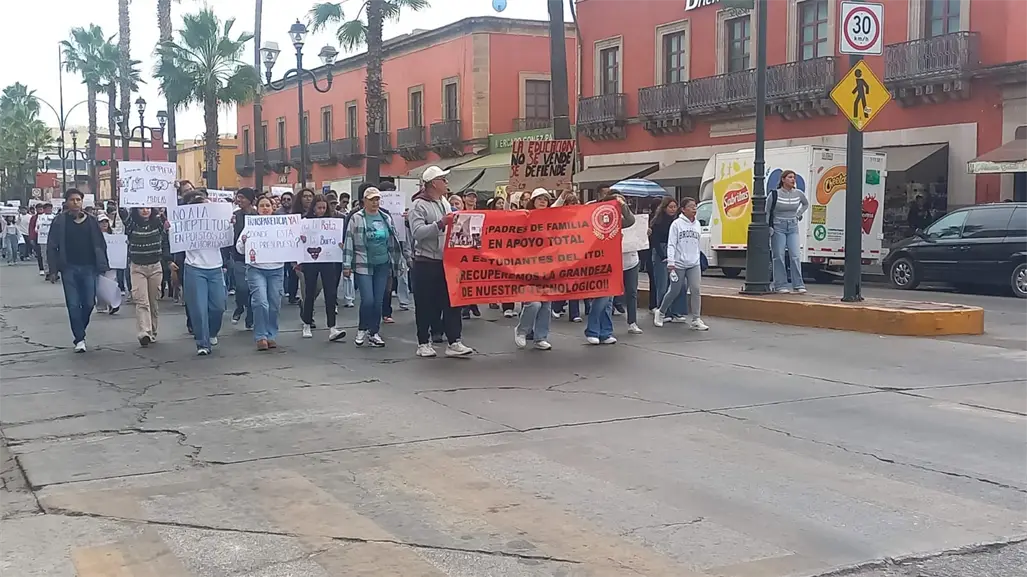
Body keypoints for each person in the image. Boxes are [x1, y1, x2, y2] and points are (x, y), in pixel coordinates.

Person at [408, 166, 474, 358]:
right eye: (443, 180)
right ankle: (423, 342)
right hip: (425, 261)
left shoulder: (444, 202)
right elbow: (417, 233)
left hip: (446, 261)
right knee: (425, 304)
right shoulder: (418, 206)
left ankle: (454, 341)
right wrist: (441, 224)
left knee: (452, 302)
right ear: (433, 183)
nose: (446, 183)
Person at [45, 189, 110, 352]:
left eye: (78, 200)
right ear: (66, 202)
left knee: (88, 303)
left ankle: (80, 328)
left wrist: (103, 265)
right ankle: (79, 338)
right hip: (69, 268)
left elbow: (100, 244)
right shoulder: (59, 221)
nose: (76, 203)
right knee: (73, 304)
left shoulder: (91, 221)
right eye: (72, 200)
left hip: (89, 268)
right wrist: (53, 270)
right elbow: (52, 246)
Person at [343, 186, 405, 347]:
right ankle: (362, 328)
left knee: (378, 300)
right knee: (368, 300)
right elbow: (349, 241)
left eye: (377, 199)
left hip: (382, 264)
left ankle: (374, 332)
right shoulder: (356, 218)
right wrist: (346, 265)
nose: (375, 202)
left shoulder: (385, 217)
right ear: (364, 201)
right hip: (363, 263)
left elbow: (393, 241)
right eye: (372, 199)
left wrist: (399, 261)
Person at [176, 192, 228, 356]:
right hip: (194, 267)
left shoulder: (218, 223)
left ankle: (212, 332)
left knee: (218, 306)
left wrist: (230, 225)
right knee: (198, 308)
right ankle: (202, 342)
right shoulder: (185, 225)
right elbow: (174, 238)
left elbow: (229, 240)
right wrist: (169, 229)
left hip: (215, 268)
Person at [584, 186, 636, 345]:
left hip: (614, 262)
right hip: (597, 262)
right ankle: (592, 330)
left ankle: (605, 332)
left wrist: (623, 206)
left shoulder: (618, 221)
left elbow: (631, 220)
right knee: (602, 297)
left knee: (609, 299)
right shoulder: (594, 217)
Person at [236, 196, 285, 351]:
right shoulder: (251, 226)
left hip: (276, 269)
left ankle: (271, 335)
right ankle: (261, 336)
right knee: (261, 302)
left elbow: (291, 243)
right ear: (257, 208)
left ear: (273, 208)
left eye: (268, 205)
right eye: (262, 205)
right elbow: (239, 248)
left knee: (274, 303)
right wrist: (244, 241)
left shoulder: (281, 225)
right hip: (256, 269)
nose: (265, 208)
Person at [653, 197, 708, 331]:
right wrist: (671, 261)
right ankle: (661, 312)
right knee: (675, 290)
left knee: (695, 289)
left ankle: (696, 318)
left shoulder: (697, 224)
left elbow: (696, 243)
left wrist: (698, 258)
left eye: (695, 206)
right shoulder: (677, 224)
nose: (694, 209)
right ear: (683, 209)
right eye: (691, 206)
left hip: (693, 262)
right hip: (679, 263)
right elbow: (672, 243)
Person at [300, 193, 346, 342]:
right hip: (310, 260)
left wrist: (341, 245)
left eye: (323, 208)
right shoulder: (306, 222)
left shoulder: (333, 222)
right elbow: (299, 240)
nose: (321, 210)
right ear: (313, 208)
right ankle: (307, 323)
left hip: (328, 259)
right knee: (310, 291)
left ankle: (332, 327)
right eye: (319, 207)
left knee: (331, 292)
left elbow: (339, 239)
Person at [514, 188, 554, 351]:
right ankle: (522, 330)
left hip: (547, 266)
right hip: (528, 266)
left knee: (546, 304)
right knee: (534, 303)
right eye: (539, 199)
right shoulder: (525, 216)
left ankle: (540, 337)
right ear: (533, 201)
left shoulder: (553, 219)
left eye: (546, 199)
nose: (543, 201)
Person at [125, 206, 170, 347]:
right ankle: (144, 331)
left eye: (148, 208)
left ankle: (152, 332)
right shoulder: (132, 224)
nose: (145, 210)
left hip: (155, 266)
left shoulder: (159, 223)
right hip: (137, 267)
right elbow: (121, 212)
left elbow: (167, 238)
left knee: (153, 301)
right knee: (141, 300)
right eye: (141, 208)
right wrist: (121, 189)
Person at [769, 169, 810, 294]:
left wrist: (798, 214)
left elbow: (805, 204)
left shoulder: (798, 193)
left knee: (795, 256)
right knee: (779, 256)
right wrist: (768, 227)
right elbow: (767, 211)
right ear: (783, 179)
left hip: (793, 226)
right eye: (790, 177)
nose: (793, 180)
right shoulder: (775, 194)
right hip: (778, 226)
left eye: (794, 177)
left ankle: (798, 284)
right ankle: (780, 285)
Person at [231, 188, 257, 329]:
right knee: (241, 287)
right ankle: (240, 306)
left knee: (253, 289)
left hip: (255, 258)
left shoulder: (258, 216)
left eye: (242, 197)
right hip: (239, 257)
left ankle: (250, 318)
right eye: (237, 197)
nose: (239, 200)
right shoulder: (234, 216)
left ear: (250, 200)